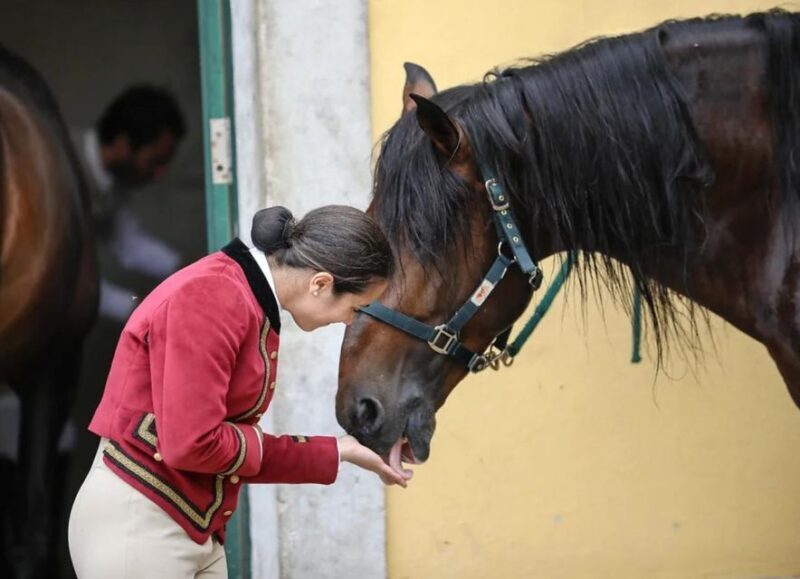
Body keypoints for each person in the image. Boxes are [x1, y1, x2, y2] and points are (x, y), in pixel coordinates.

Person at [68, 205, 411, 579]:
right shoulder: (212, 295)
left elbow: (221, 449)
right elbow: (192, 443)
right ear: (321, 284)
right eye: (356, 308)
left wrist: (341, 450)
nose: (349, 321)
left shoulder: (242, 296)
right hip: (140, 523)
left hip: (191, 530)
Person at [74, 84, 187, 321]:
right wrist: (140, 312)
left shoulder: (110, 185)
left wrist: (192, 270)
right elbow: (65, 279)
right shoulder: (60, 167)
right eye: (155, 161)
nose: (159, 175)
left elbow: (128, 243)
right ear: (124, 145)